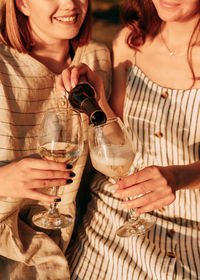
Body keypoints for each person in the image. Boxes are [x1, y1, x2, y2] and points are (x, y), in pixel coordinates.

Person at [59, 0, 200, 279]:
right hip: (115, 213)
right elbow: (119, 142)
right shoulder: (128, 41)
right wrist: (98, 100)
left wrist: (180, 177)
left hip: (192, 228)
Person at [0, 0, 111, 279]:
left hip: (74, 239)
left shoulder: (98, 57)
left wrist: (102, 103)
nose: (70, 5)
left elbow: (114, 161)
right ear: (22, 4)